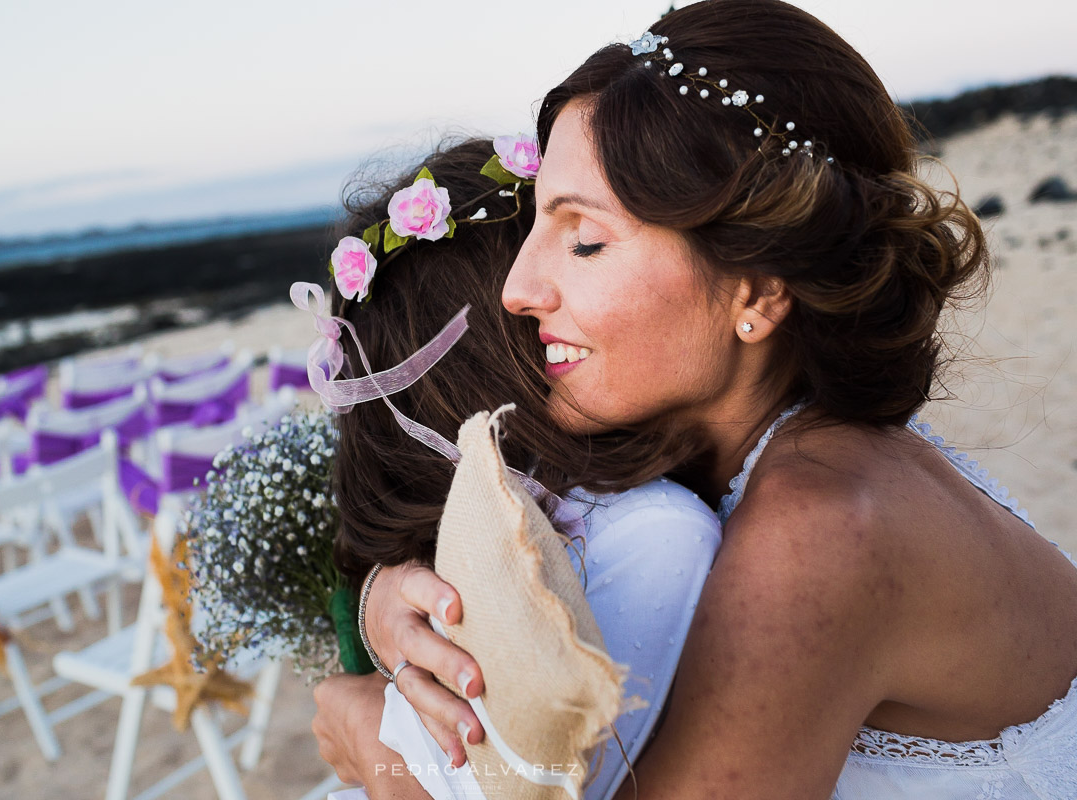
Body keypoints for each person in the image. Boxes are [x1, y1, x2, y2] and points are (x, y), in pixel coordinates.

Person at [353, 2, 1077, 798]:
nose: (517, 290)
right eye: (535, 229)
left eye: (585, 239)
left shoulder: (826, 529)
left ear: (758, 291)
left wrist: (366, 741)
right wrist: (387, 604)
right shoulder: (790, 460)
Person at [307, 138, 722, 799]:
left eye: (583, 246)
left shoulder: (652, 534)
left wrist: (362, 723)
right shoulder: (453, 560)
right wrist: (377, 608)